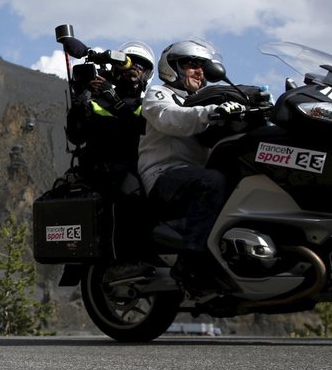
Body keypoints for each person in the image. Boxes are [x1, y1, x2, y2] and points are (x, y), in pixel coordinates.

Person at [137, 39, 243, 286]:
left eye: (203, 67)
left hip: (193, 175)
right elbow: (169, 118)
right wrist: (211, 113)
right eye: (191, 64)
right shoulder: (161, 94)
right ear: (172, 67)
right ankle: (191, 261)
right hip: (164, 175)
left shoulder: (207, 99)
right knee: (212, 181)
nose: (199, 71)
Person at [66, 41, 155, 191]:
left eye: (141, 66)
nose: (135, 68)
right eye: (130, 62)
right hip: (92, 178)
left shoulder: (148, 105)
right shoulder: (96, 103)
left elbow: (139, 129)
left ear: (147, 75)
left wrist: (114, 99)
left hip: (133, 178)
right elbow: (76, 136)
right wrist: (79, 94)